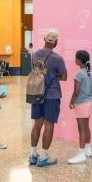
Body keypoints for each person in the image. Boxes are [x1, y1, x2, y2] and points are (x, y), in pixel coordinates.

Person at [29, 30, 67, 167]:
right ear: (55, 42)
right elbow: (64, 77)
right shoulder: (57, 58)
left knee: (37, 124)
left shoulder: (34, 55)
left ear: (44, 39)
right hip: (52, 95)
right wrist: (53, 76)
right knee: (49, 125)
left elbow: (35, 72)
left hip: (36, 93)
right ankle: (44, 157)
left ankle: (33, 155)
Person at [68, 50, 92, 164]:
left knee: (81, 129)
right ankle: (88, 149)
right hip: (88, 102)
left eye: (75, 58)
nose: (75, 60)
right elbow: (91, 89)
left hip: (81, 103)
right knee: (86, 127)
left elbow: (76, 91)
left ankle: (81, 153)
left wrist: (71, 101)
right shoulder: (89, 72)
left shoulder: (79, 74)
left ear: (79, 60)